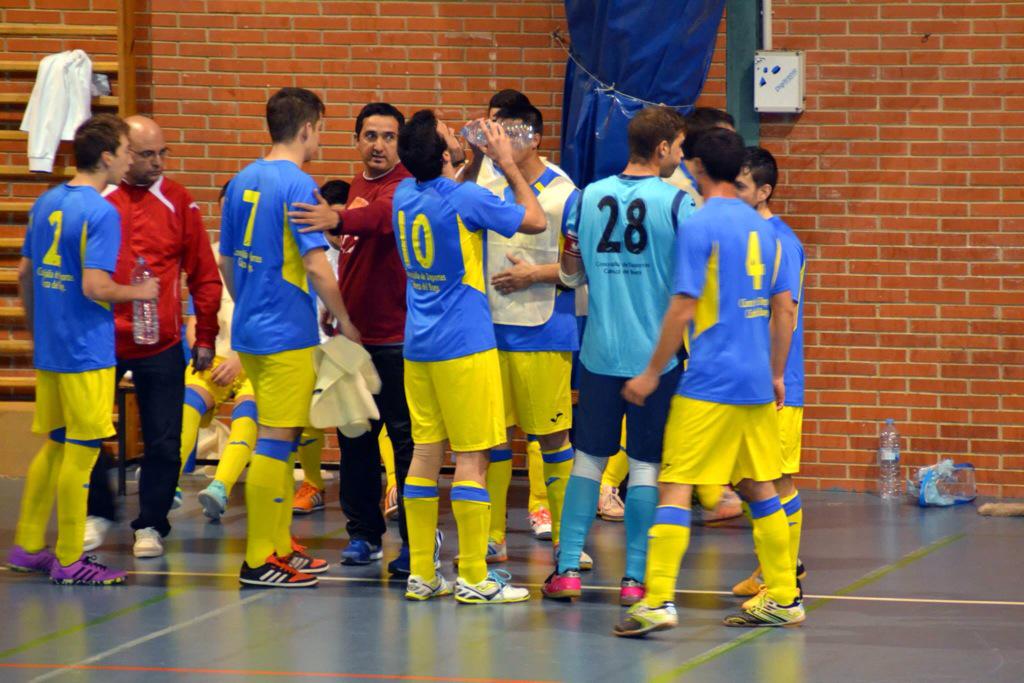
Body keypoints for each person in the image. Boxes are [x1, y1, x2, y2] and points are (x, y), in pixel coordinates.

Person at [613, 128, 803, 637]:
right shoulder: (769, 230)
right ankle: (784, 595)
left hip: (711, 381)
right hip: (757, 382)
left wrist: (651, 371)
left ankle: (656, 601)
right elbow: (784, 309)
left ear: (694, 166)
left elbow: (683, 304)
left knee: (675, 486)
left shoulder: (699, 225)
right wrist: (778, 372)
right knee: (760, 486)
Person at [544, 105, 695, 607]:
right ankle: (634, 579)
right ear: (661, 150)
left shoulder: (584, 198)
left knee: (587, 461)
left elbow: (568, 273)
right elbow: (693, 283)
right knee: (647, 465)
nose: (680, 154)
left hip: (600, 353)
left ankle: (566, 569)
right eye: (677, 147)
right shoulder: (677, 205)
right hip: (656, 361)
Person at [395, 110, 544, 603]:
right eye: (449, 135)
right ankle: (475, 576)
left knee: (424, 454)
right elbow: (535, 218)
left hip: (419, 347)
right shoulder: (465, 198)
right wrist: (508, 162)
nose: (457, 136)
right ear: (442, 154)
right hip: (465, 344)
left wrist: (476, 157)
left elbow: (451, 191)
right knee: (473, 460)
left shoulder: (404, 194)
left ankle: (422, 573)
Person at [7, 114, 158, 584]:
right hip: (86, 352)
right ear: (108, 156)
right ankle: (70, 557)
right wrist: (141, 294)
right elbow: (95, 286)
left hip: (52, 350)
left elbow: (25, 275)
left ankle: (29, 545)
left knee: (54, 445)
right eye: (127, 150)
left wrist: (38, 333)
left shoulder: (48, 201)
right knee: (83, 451)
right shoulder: (100, 211)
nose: (131, 158)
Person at [220, 87, 357, 588]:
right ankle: (258, 559)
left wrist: (252, 300)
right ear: (306, 129)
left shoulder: (241, 181)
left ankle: (279, 546)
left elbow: (228, 262)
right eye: (320, 129)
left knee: (279, 435)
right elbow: (318, 267)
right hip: (285, 334)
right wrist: (344, 319)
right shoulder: (298, 184)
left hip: (253, 328)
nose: (320, 138)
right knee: (276, 442)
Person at [83, 115, 222, 559]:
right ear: (121, 153)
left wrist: (206, 335)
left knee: (164, 438)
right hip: (101, 339)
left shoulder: (179, 202)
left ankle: (151, 524)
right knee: (87, 429)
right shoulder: (97, 200)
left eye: (163, 153)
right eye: (146, 154)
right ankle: (96, 512)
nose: (158, 162)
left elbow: (204, 274)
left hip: (159, 341)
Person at [288, 102, 417, 571]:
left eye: (387, 136)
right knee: (355, 443)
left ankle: (414, 542)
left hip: (395, 340)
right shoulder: (360, 184)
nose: (378, 144)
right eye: (370, 135)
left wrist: (336, 218)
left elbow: (380, 220)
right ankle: (364, 535)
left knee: (404, 445)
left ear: (399, 143)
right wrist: (336, 309)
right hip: (351, 340)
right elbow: (355, 255)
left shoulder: (404, 187)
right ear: (356, 140)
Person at [464, 102, 583, 567]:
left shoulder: (565, 194)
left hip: (545, 331)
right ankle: (493, 537)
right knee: (493, 440)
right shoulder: (485, 186)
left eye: (506, 134)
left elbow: (580, 268)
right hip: (490, 332)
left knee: (552, 440)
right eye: (492, 134)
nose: (497, 144)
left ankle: (566, 542)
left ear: (532, 138)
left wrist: (535, 274)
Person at [731, 146, 807, 600]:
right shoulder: (740, 237)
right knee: (747, 478)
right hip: (745, 380)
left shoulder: (783, 241)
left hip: (779, 383)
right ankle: (773, 566)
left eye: (739, 186)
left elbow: (785, 313)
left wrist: (775, 372)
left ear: (764, 191)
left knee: (778, 479)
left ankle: (784, 575)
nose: (729, 193)